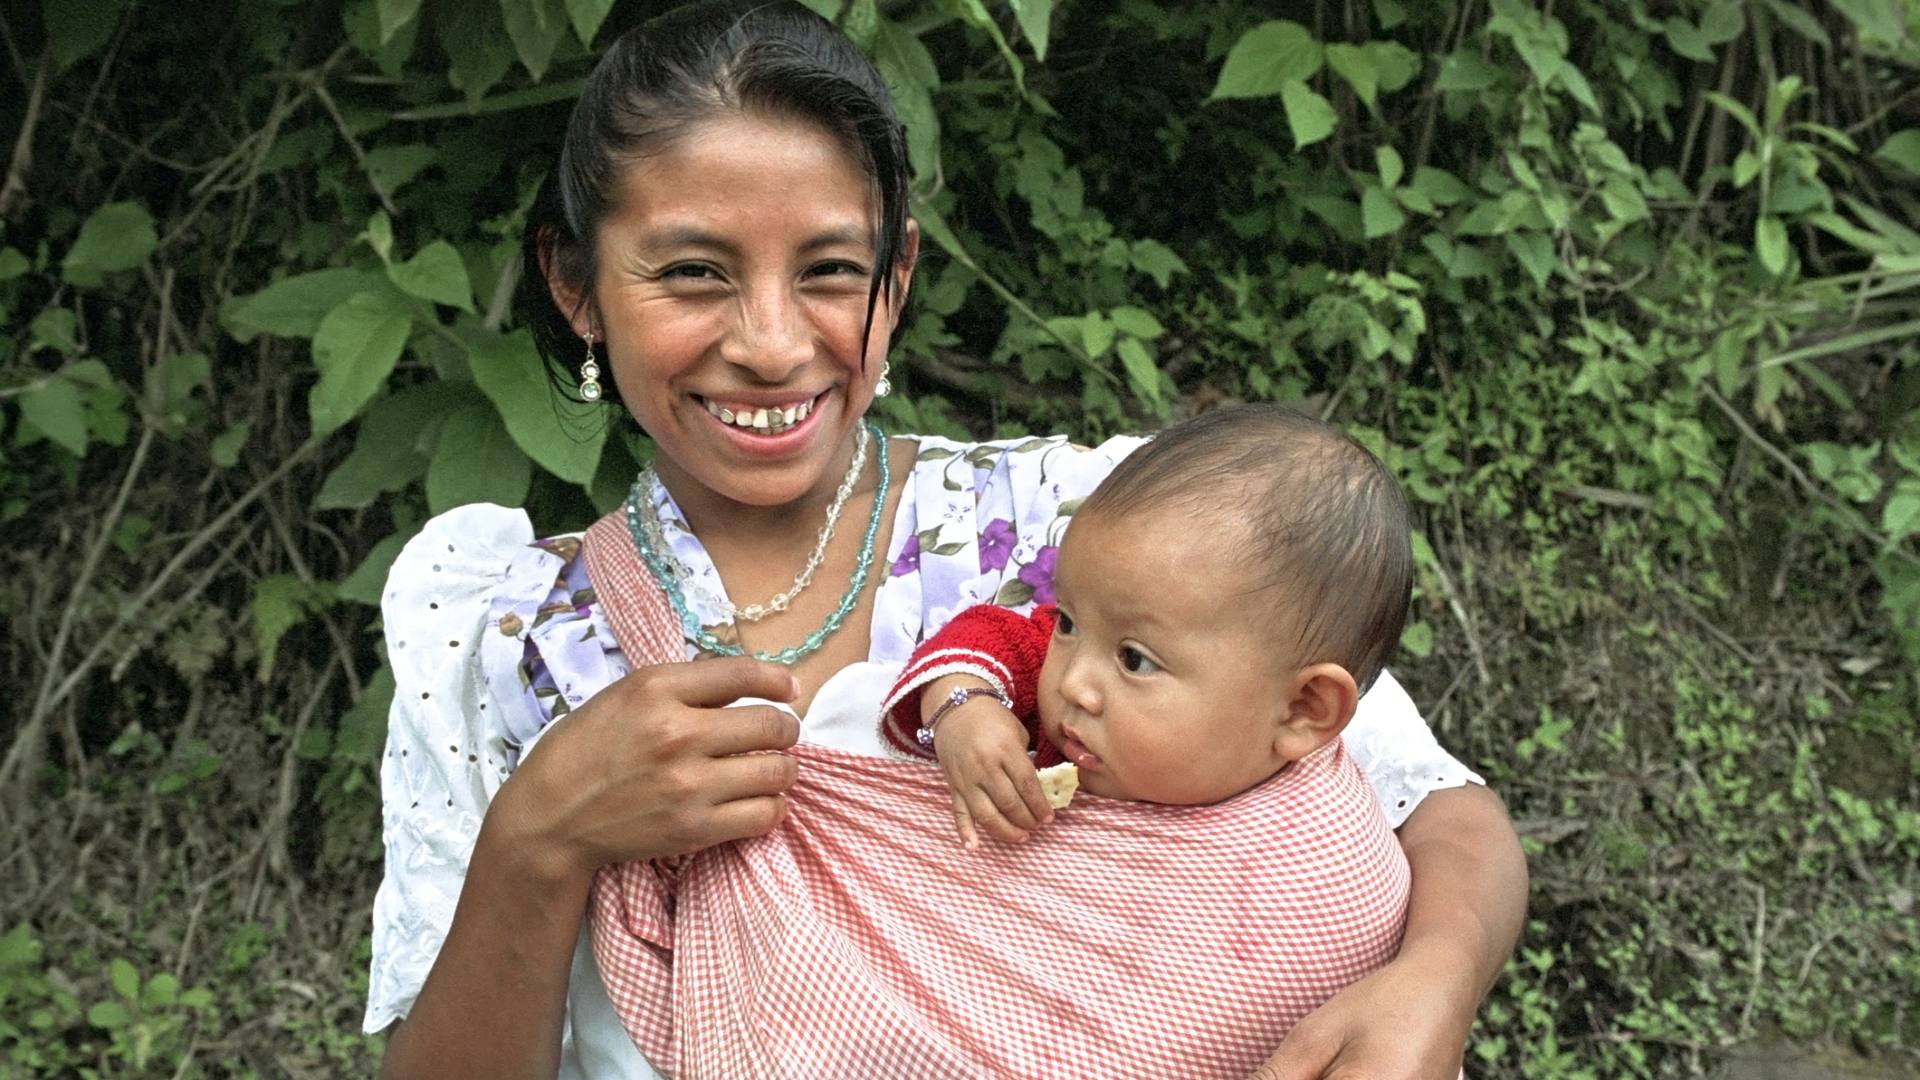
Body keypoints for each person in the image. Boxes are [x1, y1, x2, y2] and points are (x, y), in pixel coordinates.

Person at [365, 3, 1528, 1078]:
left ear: (898, 275)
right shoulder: (506, 643)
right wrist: (540, 838)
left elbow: (1437, 810)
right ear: (575, 285)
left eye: (830, 270)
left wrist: (1435, 981)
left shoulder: (1087, 530)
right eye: (693, 273)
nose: (771, 344)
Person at [880, 404, 1410, 851]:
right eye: (1070, 623)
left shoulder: (1321, 846)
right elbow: (985, 635)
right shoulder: (1065, 683)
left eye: (1134, 660)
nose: (1072, 683)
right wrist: (962, 706)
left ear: (1302, 709)